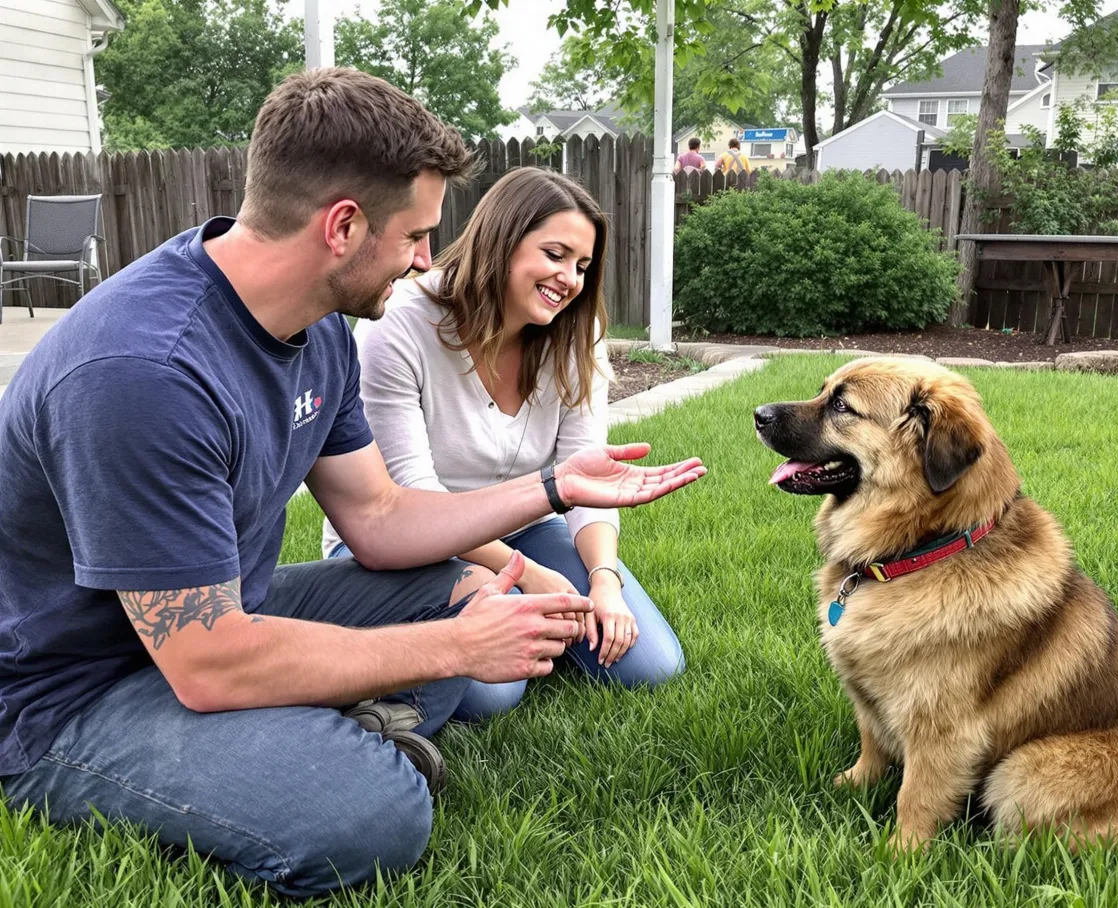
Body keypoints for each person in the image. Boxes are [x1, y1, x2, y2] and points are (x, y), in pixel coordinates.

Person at [0, 69, 704, 898]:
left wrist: (552, 487)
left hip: (227, 619)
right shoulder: (145, 373)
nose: (423, 262)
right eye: (414, 236)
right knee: (374, 817)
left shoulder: (317, 328)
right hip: (74, 689)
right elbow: (204, 659)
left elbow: (377, 515)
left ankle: (311, 724)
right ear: (342, 226)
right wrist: (457, 649)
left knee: (457, 586)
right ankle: (324, 744)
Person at [324, 167, 684, 720]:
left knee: (650, 665)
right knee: (492, 694)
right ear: (502, 241)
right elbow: (411, 497)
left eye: (583, 266)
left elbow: (583, 480)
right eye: (556, 254)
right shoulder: (400, 325)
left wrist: (604, 581)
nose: (569, 279)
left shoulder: (576, 335)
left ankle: (531, 623)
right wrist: (533, 575)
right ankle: (398, 642)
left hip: (525, 523)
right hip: (406, 540)